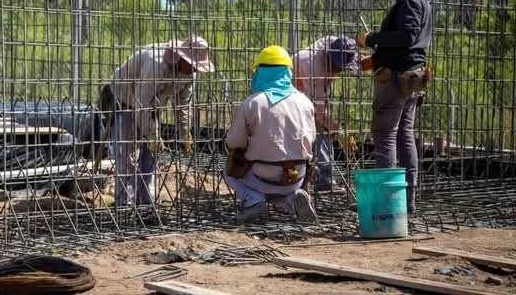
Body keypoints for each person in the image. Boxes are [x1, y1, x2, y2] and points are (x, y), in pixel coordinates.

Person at [356, 0, 433, 214]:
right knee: (404, 136)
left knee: (385, 135)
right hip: (412, 77)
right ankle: (406, 201)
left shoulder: (409, 2)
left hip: (396, 78)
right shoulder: (422, 2)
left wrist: (372, 39)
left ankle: (386, 202)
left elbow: (406, 37)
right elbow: (410, 46)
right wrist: (377, 58)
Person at [104, 35, 215, 206]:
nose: (195, 70)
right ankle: (124, 203)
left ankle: (146, 202)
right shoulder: (156, 64)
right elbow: (141, 102)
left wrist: (185, 134)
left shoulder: (188, 73)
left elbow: (184, 105)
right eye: (194, 65)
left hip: (152, 104)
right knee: (127, 153)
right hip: (124, 98)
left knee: (151, 154)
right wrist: (152, 135)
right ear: (182, 58)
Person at [224, 45, 317, 223]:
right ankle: (292, 198)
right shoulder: (305, 102)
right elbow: (311, 141)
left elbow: (234, 142)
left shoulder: (252, 103)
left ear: (260, 72)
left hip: (261, 176)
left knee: (228, 169)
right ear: (287, 73)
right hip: (297, 175)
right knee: (285, 184)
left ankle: (253, 200)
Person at [293, 36, 369, 192]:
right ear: (329, 57)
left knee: (325, 128)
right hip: (294, 93)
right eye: (338, 66)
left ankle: (324, 176)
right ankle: (320, 177)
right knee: (319, 128)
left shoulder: (337, 44)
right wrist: (337, 129)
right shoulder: (313, 66)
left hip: (311, 90)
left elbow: (357, 58)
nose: (339, 71)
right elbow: (318, 110)